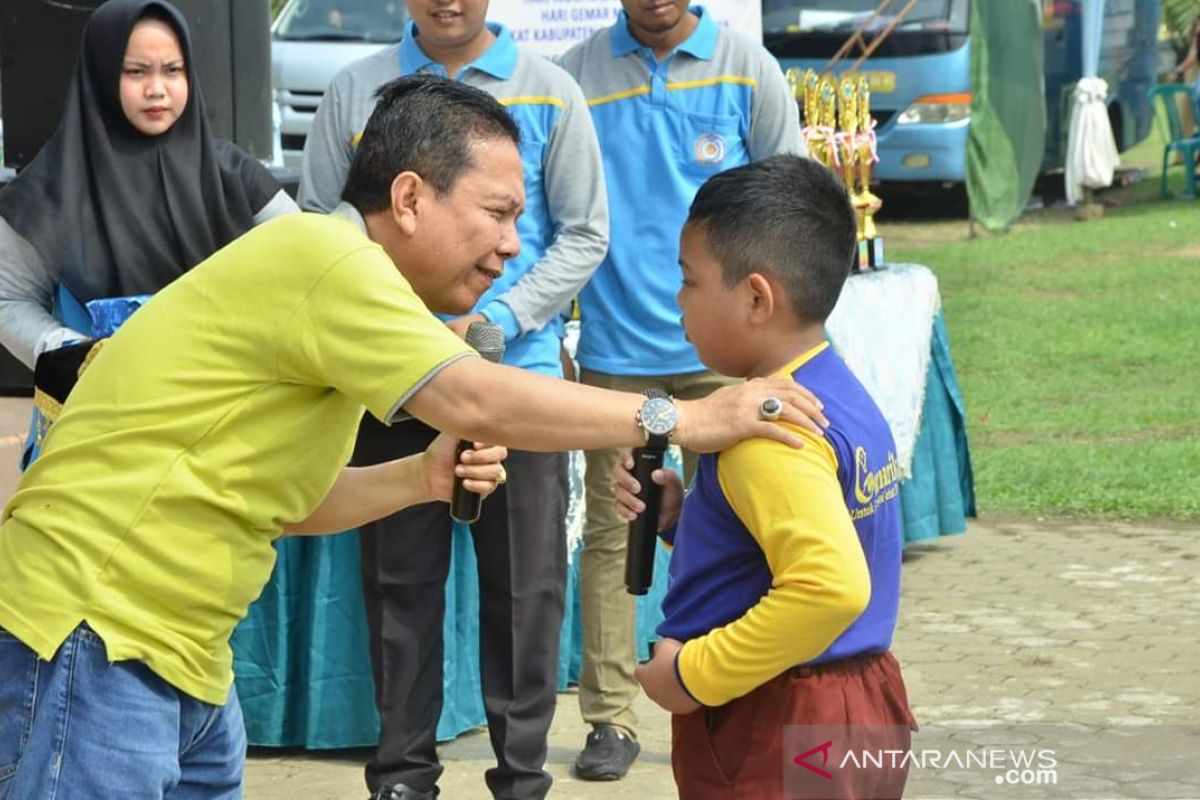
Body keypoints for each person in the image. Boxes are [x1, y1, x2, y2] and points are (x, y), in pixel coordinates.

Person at [0, 75, 824, 799]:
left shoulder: (334, 287)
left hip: (173, 654)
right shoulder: (328, 258)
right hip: (90, 630)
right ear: (407, 199)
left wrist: (423, 479)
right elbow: (474, 398)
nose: (511, 244)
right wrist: (682, 415)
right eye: (498, 212)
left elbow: (283, 502)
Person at [299, 3, 607, 798]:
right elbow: (318, 223)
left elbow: (583, 232)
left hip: (518, 380)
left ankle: (522, 774)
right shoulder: (355, 90)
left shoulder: (550, 91)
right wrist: (394, 325)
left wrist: (499, 317)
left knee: (526, 589)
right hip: (390, 382)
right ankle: (402, 776)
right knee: (399, 585)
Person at [613, 155, 917, 799]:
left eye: (689, 282)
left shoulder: (768, 435)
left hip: (775, 714)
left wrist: (693, 675)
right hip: (859, 702)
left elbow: (830, 588)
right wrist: (684, 518)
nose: (678, 303)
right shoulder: (838, 390)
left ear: (756, 297)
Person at [556, 0, 806, 780]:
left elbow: (791, 206)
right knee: (611, 533)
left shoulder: (748, 70)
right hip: (618, 351)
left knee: (741, 525)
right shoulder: (575, 77)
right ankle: (610, 718)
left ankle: (736, 689)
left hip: (728, 355)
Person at [0, 0, 297, 371]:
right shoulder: (49, 189)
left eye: (173, 70)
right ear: (101, 75)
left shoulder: (233, 174)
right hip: (105, 398)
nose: (157, 89)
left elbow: (307, 259)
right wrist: (73, 353)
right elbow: (9, 300)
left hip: (227, 391)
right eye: (136, 72)